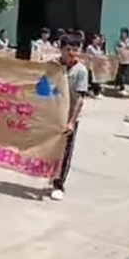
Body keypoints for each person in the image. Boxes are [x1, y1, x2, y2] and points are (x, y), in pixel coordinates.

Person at [51, 34, 89, 201]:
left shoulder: (81, 71)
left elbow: (79, 99)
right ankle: (47, 173)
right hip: (52, 115)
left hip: (69, 116)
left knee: (65, 151)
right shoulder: (52, 66)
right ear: (61, 49)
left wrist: (72, 121)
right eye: (68, 49)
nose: (72, 53)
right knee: (49, 147)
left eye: (75, 49)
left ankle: (59, 184)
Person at [115, 27, 129, 96]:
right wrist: (121, 48)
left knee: (123, 73)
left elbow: (128, 47)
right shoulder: (119, 41)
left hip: (126, 59)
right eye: (122, 33)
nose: (123, 34)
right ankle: (121, 87)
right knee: (120, 73)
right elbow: (117, 49)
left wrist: (122, 47)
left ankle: (121, 86)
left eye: (124, 33)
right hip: (120, 59)